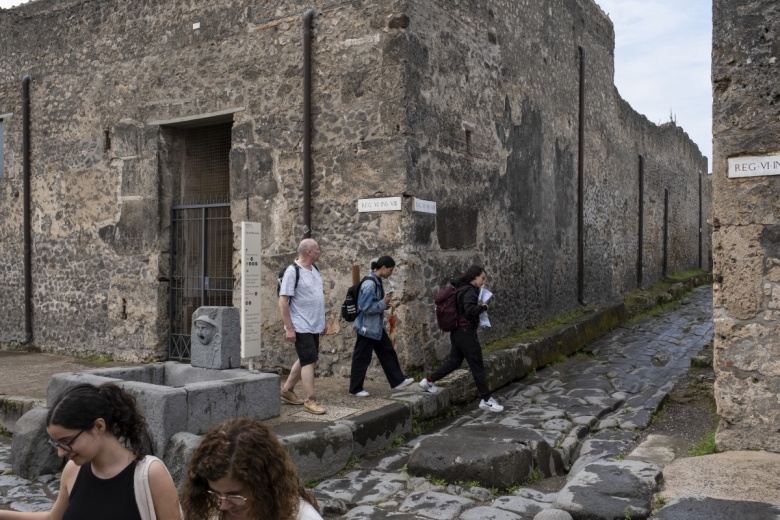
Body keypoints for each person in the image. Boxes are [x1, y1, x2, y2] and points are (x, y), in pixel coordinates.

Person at [0, 383, 181, 520]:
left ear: (98, 426)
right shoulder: (73, 470)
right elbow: (52, 518)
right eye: (56, 443)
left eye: (66, 441)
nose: (60, 453)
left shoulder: (150, 474)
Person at [182, 417, 322, 520]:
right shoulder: (209, 507)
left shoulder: (304, 517)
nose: (222, 506)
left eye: (233, 495)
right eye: (215, 492)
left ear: (264, 486)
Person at [419, 265, 504, 412]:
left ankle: (428, 381)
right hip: (466, 333)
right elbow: (470, 310)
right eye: (482, 278)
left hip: (457, 331)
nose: (483, 282)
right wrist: (484, 307)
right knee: (477, 365)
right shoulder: (470, 290)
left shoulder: (459, 288)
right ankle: (486, 400)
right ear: (474, 277)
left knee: (454, 361)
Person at [349, 255, 414, 396]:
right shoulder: (370, 284)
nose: (391, 273)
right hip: (366, 328)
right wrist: (382, 303)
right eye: (390, 270)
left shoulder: (377, 281)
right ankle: (355, 389)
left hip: (375, 327)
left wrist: (384, 304)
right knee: (362, 358)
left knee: (387, 351)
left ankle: (397, 381)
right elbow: (365, 307)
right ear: (383, 268)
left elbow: (373, 304)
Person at [278, 238, 327, 415]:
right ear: (309, 252)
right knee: (308, 360)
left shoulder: (315, 269)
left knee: (308, 357)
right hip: (300, 324)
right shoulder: (293, 271)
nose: (319, 251)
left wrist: (323, 321)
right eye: (317, 249)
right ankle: (310, 400)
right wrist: (289, 328)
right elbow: (283, 302)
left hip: (314, 323)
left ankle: (286, 391)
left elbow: (318, 297)